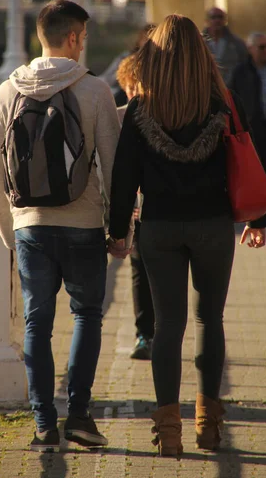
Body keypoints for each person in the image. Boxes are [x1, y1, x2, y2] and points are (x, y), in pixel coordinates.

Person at [107, 15, 266, 457]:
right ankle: (209, 427)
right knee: (208, 320)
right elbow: (250, 160)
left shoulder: (140, 108)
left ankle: (169, 434)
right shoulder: (225, 101)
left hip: (158, 227)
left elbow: (123, 177)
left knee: (167, 326)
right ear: (202, 54)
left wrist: (117, 232)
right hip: (213, 224)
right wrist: (258, 220)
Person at [0, 0, 120, 453]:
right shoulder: (96, 91)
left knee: (37, 324)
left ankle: (44, 423)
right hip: (82, 225)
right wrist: (120, 231)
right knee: (86, 315)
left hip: (30, 228)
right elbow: (112, 168)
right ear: (76, 37)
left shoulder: (8, 90)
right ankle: (79, 417)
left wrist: (11, 233)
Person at [116, 53, 155, 360]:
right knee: (139, 270)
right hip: (137, 211)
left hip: (159, 208)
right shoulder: (119, 116)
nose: (131, 95)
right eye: (127, 89)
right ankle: (145, 333)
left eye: (135, 87)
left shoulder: (159, 114)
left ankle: (158, 334)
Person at [229, 32, 266, 172]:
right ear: (250, 49)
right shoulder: (241, 72)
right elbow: (232, 97)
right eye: (262, 47)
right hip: (253, 127)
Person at [99, 24, 156, 106]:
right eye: (145, 39)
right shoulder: (125, 58)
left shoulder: (158, 65)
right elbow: (107, 79)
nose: (148, 43)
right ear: (140, 40)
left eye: (152, 40)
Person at [202, 7, 248, 85]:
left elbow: (245, 67)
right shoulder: (200, 43)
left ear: (225, 20)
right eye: (213, 17)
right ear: (207, 21)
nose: (217, 20)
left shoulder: (236, 43)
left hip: (231, 89)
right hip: (206, 87)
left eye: (220, 17)